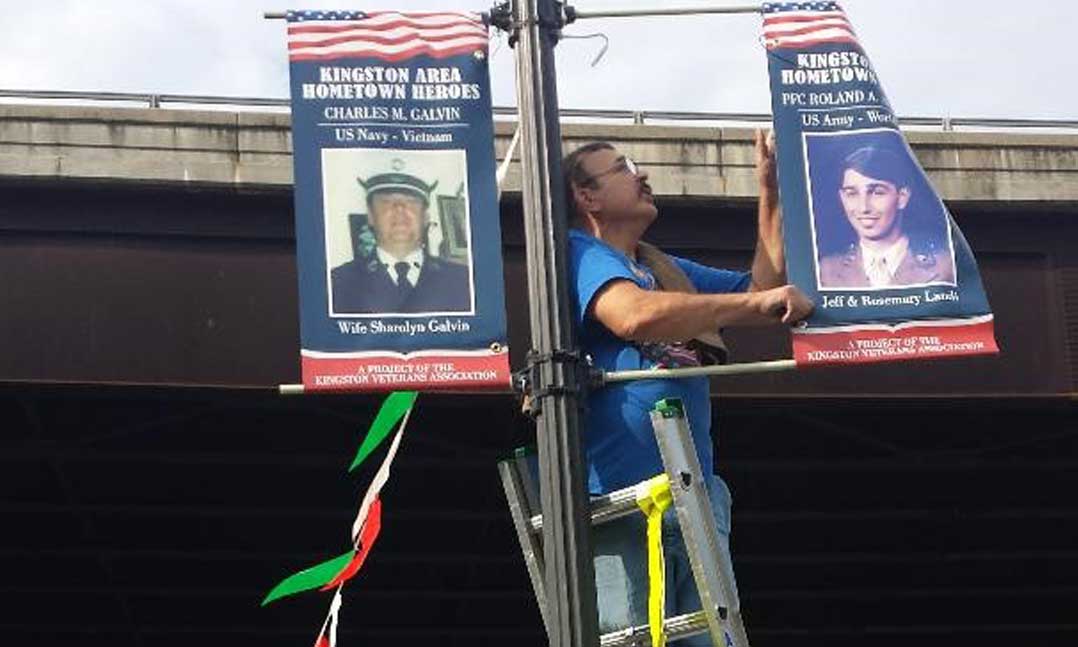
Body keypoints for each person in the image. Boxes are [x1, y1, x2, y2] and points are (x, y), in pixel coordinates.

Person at [564, 131, 813, 642]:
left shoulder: (662, 267)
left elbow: (760, 292)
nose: (642, 175)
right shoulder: (578, 252)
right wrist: (753, 306)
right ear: (586, 197)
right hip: (621, 499)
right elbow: (631, 315)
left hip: (692, 491)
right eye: (624, 166)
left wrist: (770, 193)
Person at [330, 162, 471, 314]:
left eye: (411, 201)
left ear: (426, 217)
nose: (399, 208)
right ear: (370, 216)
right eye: (386, 201)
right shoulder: (338, 283)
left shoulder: (462, 281)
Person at [818, 145, 955, 288]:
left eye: (877, 192)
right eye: (852, 193)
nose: (863, 207)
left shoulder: (945, 267)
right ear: (841, 197)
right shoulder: (827, 271)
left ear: (902, 197)